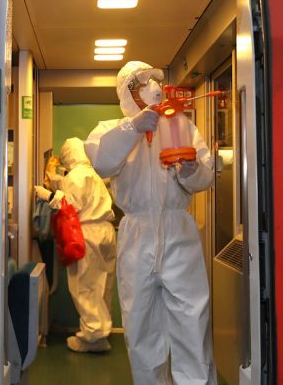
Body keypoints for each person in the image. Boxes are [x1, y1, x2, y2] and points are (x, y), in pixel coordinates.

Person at [84, 61, 216, 384]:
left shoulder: (181, 125)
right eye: (144, 82)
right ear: (128, 90)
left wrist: (189, 171)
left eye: (156, 81)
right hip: (136, 234)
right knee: (141, 328)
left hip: (178, 231)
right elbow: (102, 161)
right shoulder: (109, 130)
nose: (154, 87)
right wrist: (133, 127)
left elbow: (205, 172)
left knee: (191, 323)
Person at [34, 137, 117, 353]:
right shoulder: (93, 174)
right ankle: (101, 332)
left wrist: (47, 195)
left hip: (87, 232)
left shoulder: (77, 175)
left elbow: (71, 205)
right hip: (106, 231)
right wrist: (56, 181)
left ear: (69, 155)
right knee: (102, 285)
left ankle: (92, 338)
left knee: (85, 285)